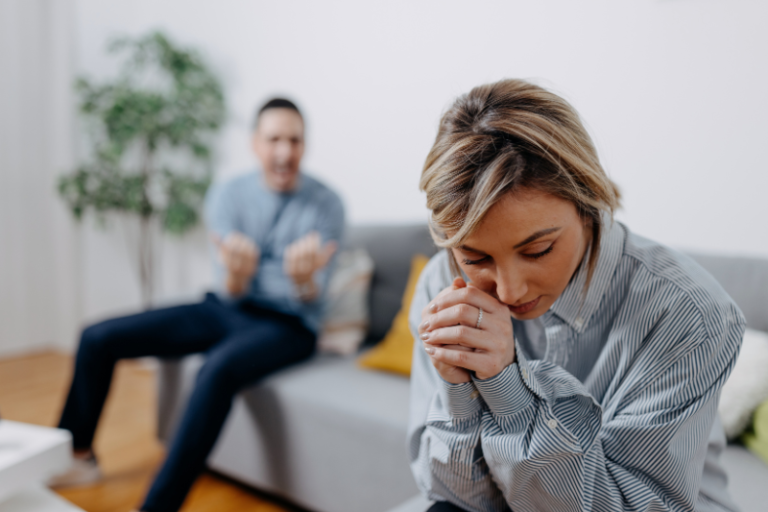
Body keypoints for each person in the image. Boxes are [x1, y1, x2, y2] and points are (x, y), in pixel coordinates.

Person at [408, 79, 744, 512]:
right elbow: (453, 498)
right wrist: (461, 392)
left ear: (588, 207)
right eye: (475, 258)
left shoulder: (690, 315)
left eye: (538, 250)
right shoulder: (442, 284)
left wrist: (506, 388)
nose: (510, 292)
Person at [50, 98, 345, 512]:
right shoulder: (228, 194)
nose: (285, 151)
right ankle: (77, 457)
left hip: (290, 325)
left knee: (217, 368)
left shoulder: (328, 204)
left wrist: (302, 281)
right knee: (97, 336)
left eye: (294, 140)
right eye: (274, 139)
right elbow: (230, 290)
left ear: (305, 145)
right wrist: (243, 277)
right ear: (254, 144)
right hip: (227, 306)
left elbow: (312, 299)